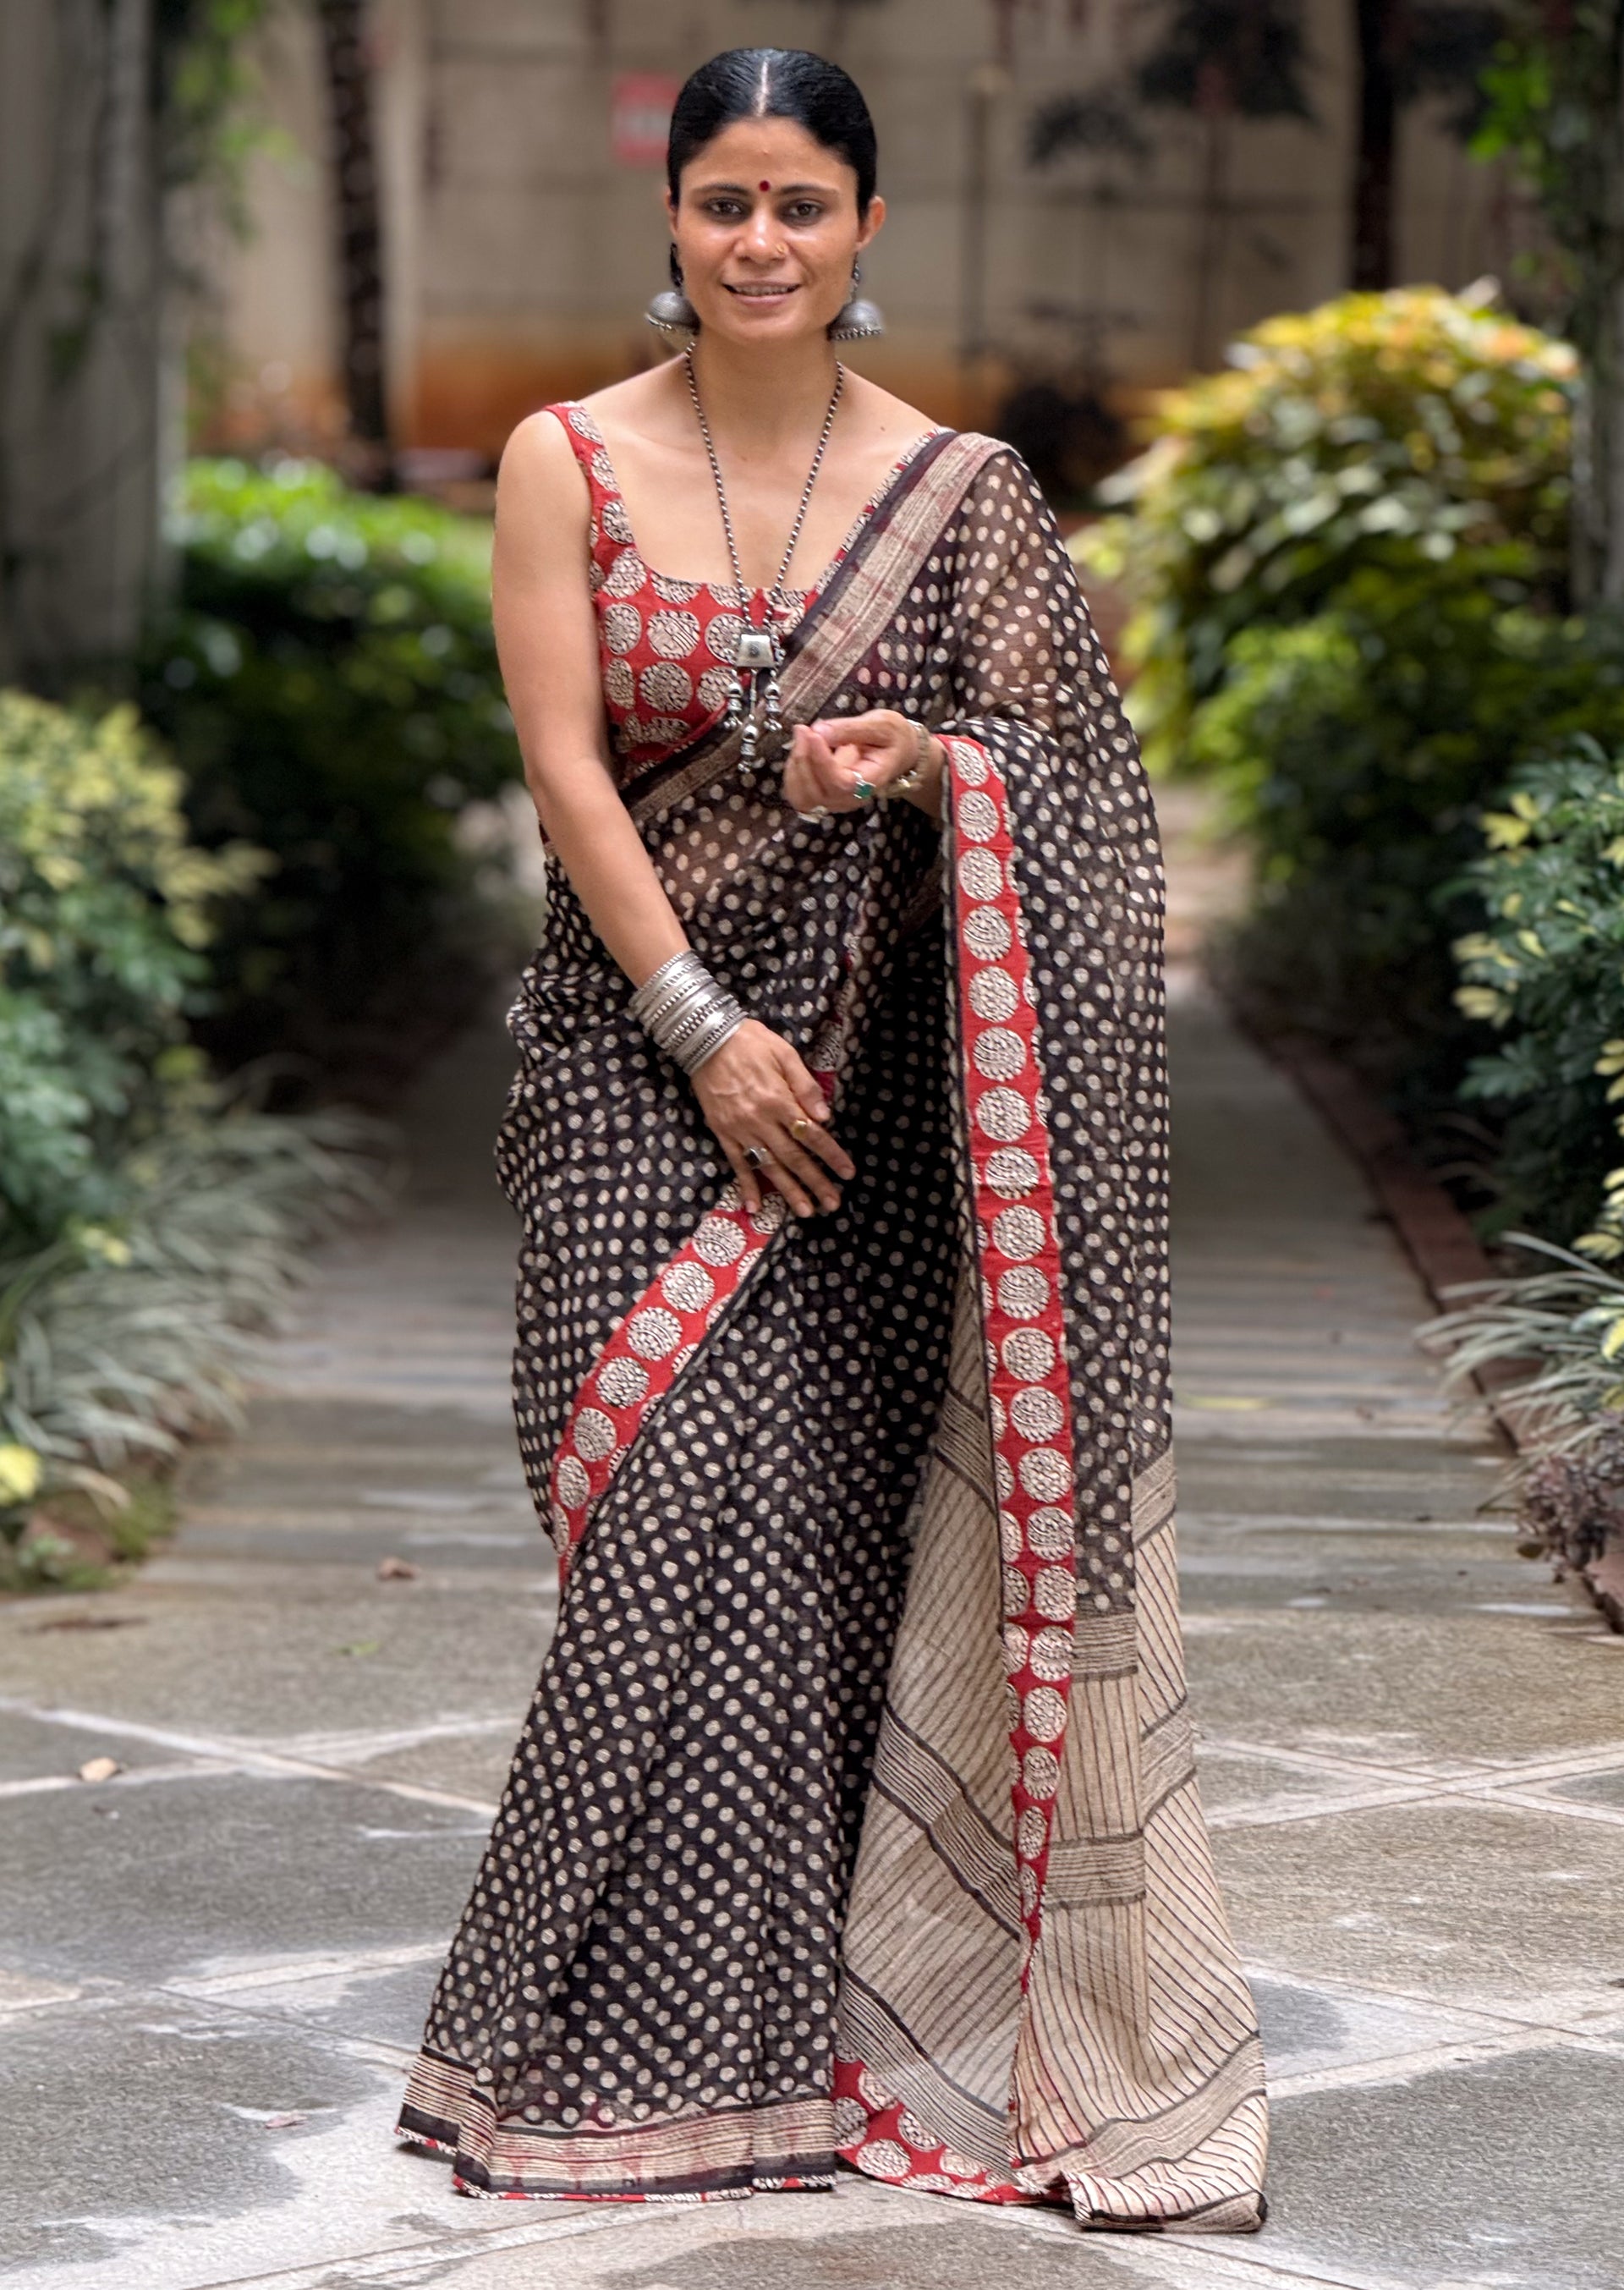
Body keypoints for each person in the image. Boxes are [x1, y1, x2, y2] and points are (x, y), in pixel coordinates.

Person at [396, 45, 1268, 2232]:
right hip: (635, 1068)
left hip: (871, 1088)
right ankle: (594, 2035)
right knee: (658, 1509)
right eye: (725, 201)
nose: (761, 241)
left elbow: (1076, 788)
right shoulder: (565, 455)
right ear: (672, 220)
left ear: (868, 224)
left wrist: (926, 768)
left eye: (801, 203)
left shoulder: (963, 492)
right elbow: (566, 774)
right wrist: (699, 1027)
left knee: (809, 1548)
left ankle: (803, 2044)